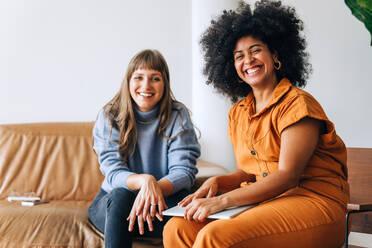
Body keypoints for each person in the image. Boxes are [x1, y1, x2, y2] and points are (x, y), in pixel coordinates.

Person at [163, 1, 349, 247]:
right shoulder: (238, 113)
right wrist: (219, 182)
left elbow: (286, 176)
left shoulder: (298, 105)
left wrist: (222, 201)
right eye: (239, 56)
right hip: (268, 202)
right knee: (178, 228)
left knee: (214, 237)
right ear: (232, 67)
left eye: (255, 50)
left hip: (314, 203)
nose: (248, 60)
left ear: (275, 55)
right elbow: (254, 171)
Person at [88, 49, 201, 248]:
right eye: (138, 77)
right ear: (128, 82)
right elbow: (113, 172)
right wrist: (144, 181)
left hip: (163, 203)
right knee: (121, 196)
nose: (146, 86)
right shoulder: (109, 115)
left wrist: (153, 190)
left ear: (164, 83)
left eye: (154, 78)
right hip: (113, 204)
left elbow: (184, 172)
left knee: (196, 211)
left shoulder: (178, 115)